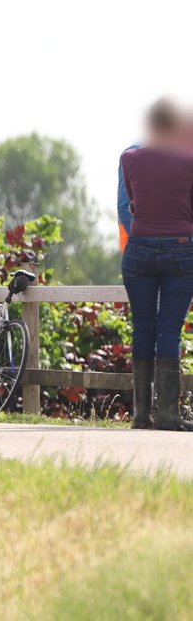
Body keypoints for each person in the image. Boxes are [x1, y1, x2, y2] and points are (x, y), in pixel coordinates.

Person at [119, 99, 193, 430]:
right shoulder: (188, 161)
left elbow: (133, 204)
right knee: (169, 330)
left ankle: (140, 414)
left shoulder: (129, 157)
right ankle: (169, 415)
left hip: (139, 250)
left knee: (143, 327)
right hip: (181, 248)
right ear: (175, 126)